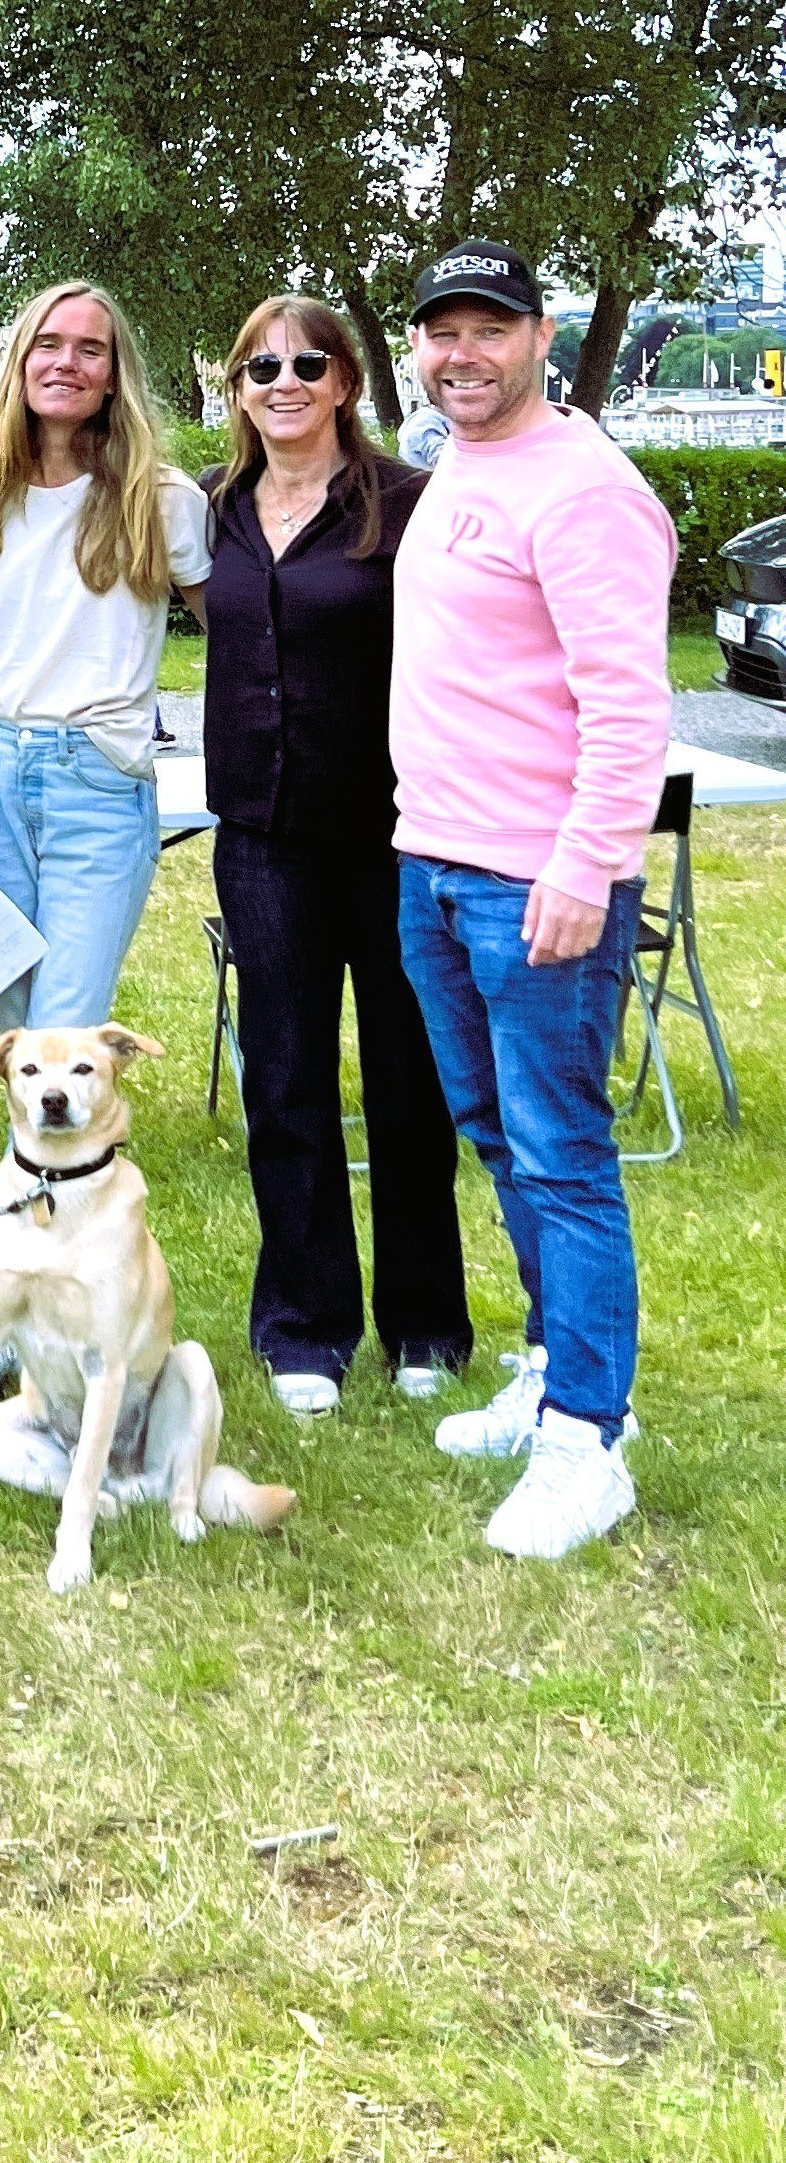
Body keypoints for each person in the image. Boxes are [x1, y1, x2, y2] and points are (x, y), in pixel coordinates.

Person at [390, 238, 673, 1560]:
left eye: (488, 328)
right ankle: (555, 1359)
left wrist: (582, 862)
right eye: (442, 329)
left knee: (562, 1156)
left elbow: (630, 701)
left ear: (541, 332)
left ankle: (589, 1439)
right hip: (436, 861)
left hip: (534, 882)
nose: (463, 352)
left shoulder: (586, 489)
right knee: (500, 1138)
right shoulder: (466, 460)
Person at [197, 297, 470, 1419]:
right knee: (285, 1081)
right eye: (258, 365)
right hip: (261, 839)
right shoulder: (208, 511)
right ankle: (304, 1326)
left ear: (347, 381)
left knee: (409, 1084)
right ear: (235, 387)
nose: (282, 380)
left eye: (306, 362)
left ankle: (423, 1325)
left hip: (394, 833)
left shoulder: (408, 505)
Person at [0, 283, 213, 1031]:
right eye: (48, 343)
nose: (66, 362)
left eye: (90, 348)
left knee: (65, 1025)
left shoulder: (162, 501)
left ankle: (59, 1151)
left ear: (114, 374)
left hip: (99, 780)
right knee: (9, 1021)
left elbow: (241, 647)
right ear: (19, 362)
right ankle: (38, 1155)